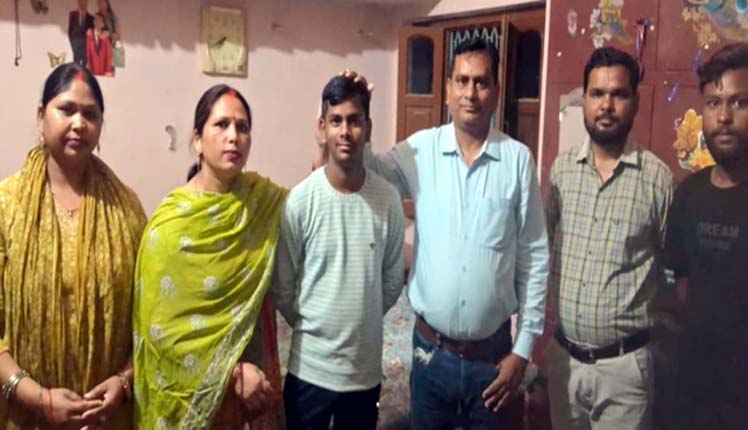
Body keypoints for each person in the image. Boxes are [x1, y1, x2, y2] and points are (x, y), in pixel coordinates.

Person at [335, 36, 549, 429]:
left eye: (481, 82)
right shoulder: (421, 151)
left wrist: (523, 350)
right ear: (448, 87)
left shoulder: (517, 160)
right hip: (430, 356)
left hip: (494, 361)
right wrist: (360, 110)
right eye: (462, 81)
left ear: (495, 89)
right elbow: (369, 173)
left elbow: (535, 256)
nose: (471, 92)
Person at [0, 63, 146, 429]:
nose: (79, 123)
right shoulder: (6, 206)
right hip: (26, 414)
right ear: (41, 116)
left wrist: (124, 381)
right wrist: (37, 398)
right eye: (66, 109)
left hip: (105, 417)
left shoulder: (126, 209)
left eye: (90, 114)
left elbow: (148, 318)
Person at [133, 84, 286, 430]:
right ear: (198, 140)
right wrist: (230, 373)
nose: (234, 136)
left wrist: (323, 145)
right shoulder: (170, 225)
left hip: (253, 393)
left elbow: (310, 204)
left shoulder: (261, 202)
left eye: (243, 127)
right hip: (192, 397)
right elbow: (161, 335)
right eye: (221, 125)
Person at [545, 47, 674, 430]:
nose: (606, 105)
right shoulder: (561, 171)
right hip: (564, 362)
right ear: (584, 99)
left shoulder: (658, 180)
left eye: (618, 94)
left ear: (635, 102)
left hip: (625, 373)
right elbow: (542, 248)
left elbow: (672, 274)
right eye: (597, 93)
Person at [273, 76, 405, 430]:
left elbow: (393, 281)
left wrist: (362, 315)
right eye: (336, 121)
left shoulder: (388, 200)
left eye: (354, 120)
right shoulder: (300, 201)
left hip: (363, 375)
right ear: (323, 127)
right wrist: (316, 324)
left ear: (368, 128)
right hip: (309, 371)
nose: (345, 131)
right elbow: (283, 287)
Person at [664, 42, 748, 430]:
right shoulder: (689, 194)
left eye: (739, 103)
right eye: (714, 103)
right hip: (691, 397)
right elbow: (677, 285)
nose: (724, 117)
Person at [68, 0, 93, 67]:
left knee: (85, 67)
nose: (82, 3)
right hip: (76, 47)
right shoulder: (72, 15)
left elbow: (92, 35)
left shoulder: (91, 18)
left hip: (86, 48)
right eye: (80, 1)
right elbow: (70, 31)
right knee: (76, 66)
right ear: (78, 2)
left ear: (87, 3)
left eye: (84, 1)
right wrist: (73, 45)